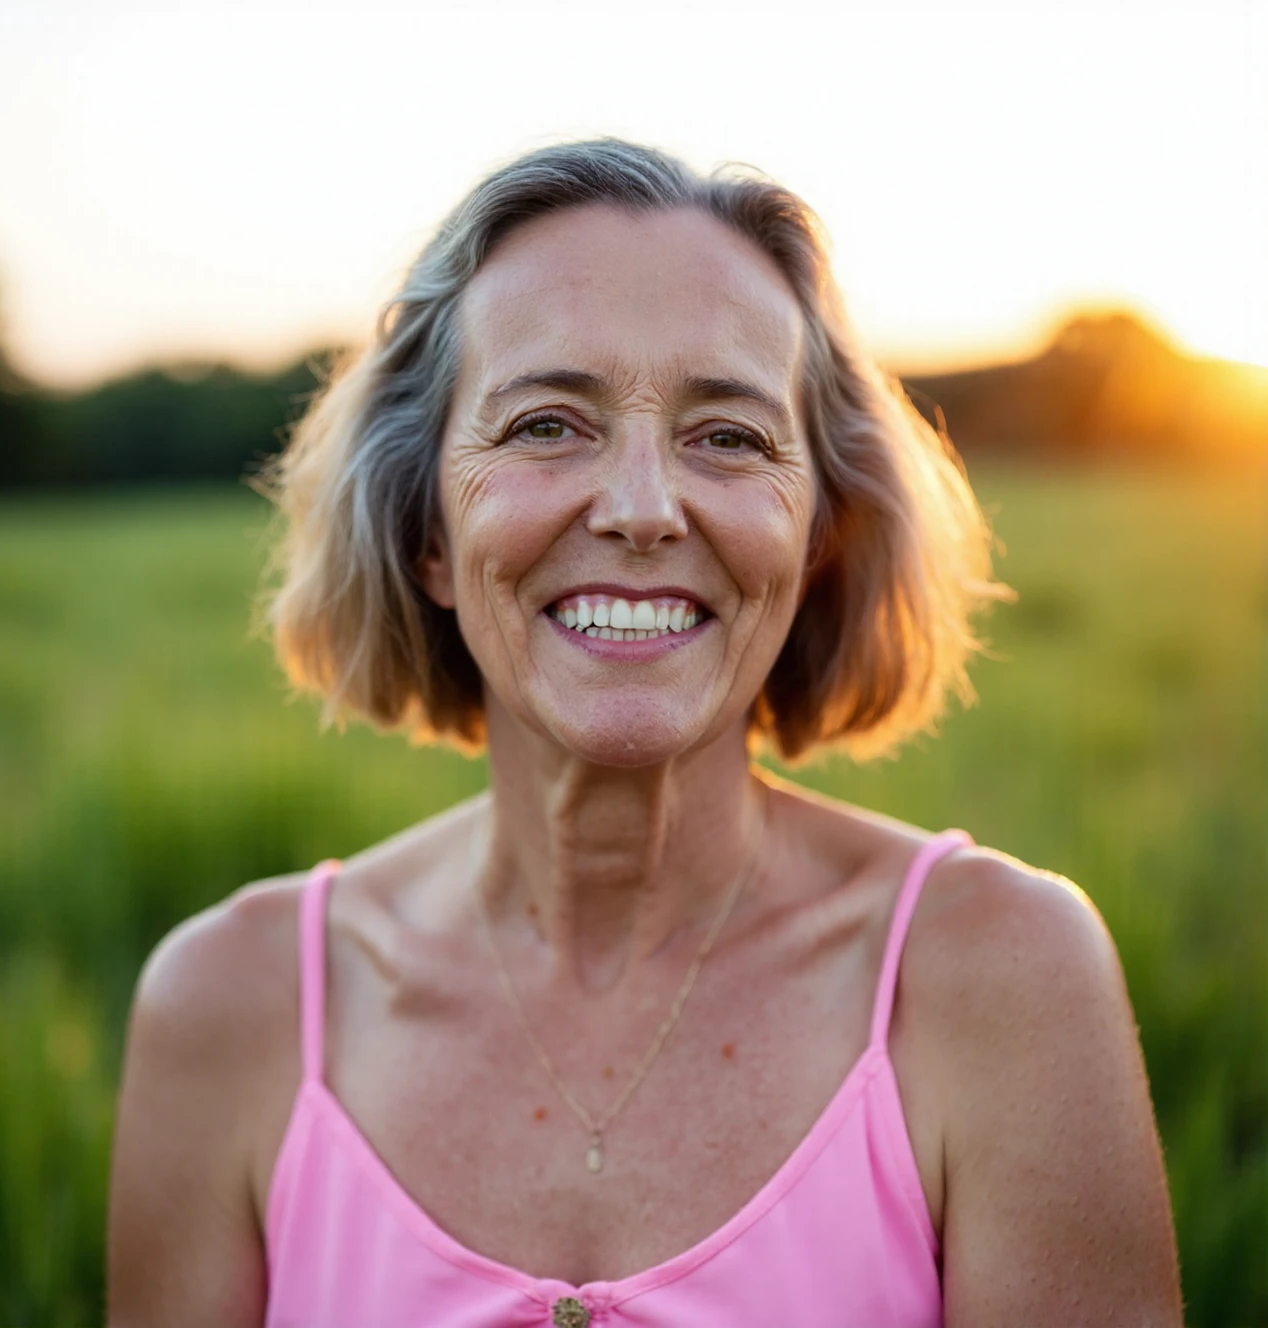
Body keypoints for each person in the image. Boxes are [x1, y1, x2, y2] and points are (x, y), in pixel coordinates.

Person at [106, 139, 1183, 1327]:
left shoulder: (1002, 979)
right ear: (426, 534)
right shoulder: (226, 1006)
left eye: (727, 436)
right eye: (545, 425)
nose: (639, 509)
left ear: (815, 531)